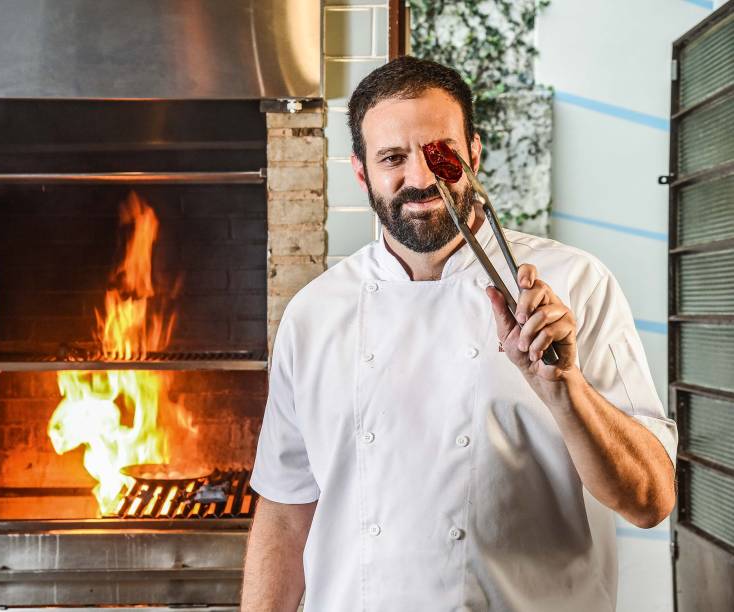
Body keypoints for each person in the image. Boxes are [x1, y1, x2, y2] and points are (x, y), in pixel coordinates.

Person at [241, 56, 677, 612]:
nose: (420, 179)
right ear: (360, 172)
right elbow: (285, 509)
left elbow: (649, 500)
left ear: (473, 154)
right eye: (393, 158)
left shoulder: (575, 286)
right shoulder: (314, 314)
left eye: (439, 154)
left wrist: (563, 387)